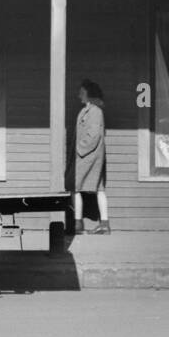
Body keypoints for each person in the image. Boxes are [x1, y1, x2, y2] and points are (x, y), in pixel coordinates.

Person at [73, 79, 109, 235]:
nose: (79, 94)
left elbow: (93, 135)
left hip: (88, 155)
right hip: (90, 155)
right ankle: (104, 224)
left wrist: (79, 149)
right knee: (98, 189)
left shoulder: (94, 111)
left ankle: (78, 224)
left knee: (75, 187)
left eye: (82, 92)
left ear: (89, 93)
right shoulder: (88, 110)